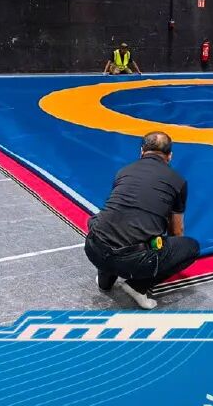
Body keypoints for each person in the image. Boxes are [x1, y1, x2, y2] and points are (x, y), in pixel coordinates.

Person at [84, 132, 200, 309]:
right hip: (133, 259)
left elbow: (115, 212)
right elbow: (177, 231)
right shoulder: (178, 181)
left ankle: (105, 281)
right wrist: (165, 253)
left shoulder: (123, 171)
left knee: (111, 226)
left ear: (141, 151)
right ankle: (137, 286)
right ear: (170, 156)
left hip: (93, 248)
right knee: (191, 248)